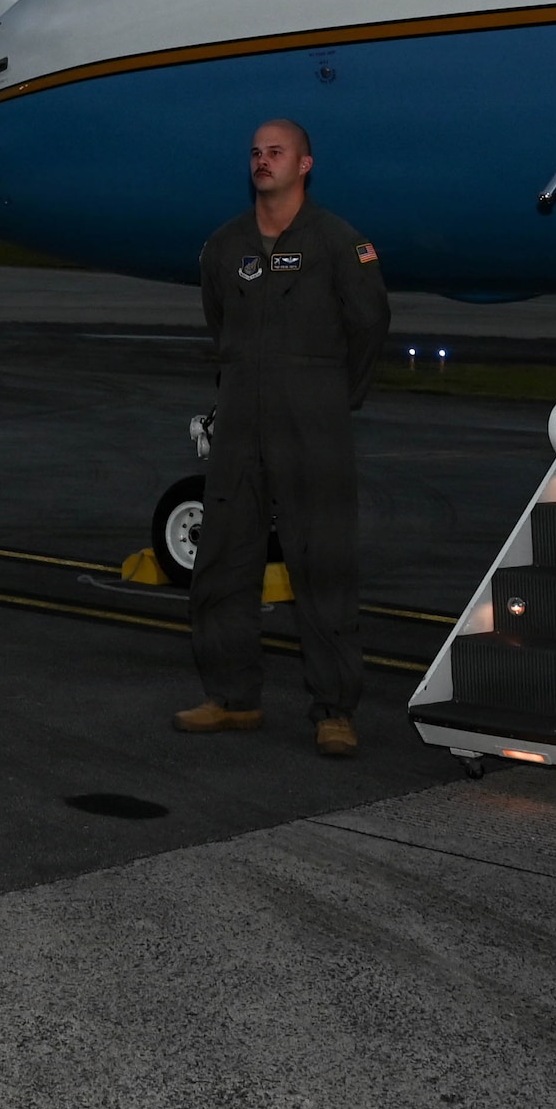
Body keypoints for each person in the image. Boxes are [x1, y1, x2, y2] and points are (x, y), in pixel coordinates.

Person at [173, 120, 390, 755]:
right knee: (222, 560)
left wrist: (327, 396)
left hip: (312, 420)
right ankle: (231, 697)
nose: (263, 161)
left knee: (321, 563)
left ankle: (334, 711)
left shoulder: (339, 244)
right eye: (256, 153)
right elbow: (220, 322)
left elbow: (370, 326)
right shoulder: (224, 246)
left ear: (305, 165)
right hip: (240, 417)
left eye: (277, 152)